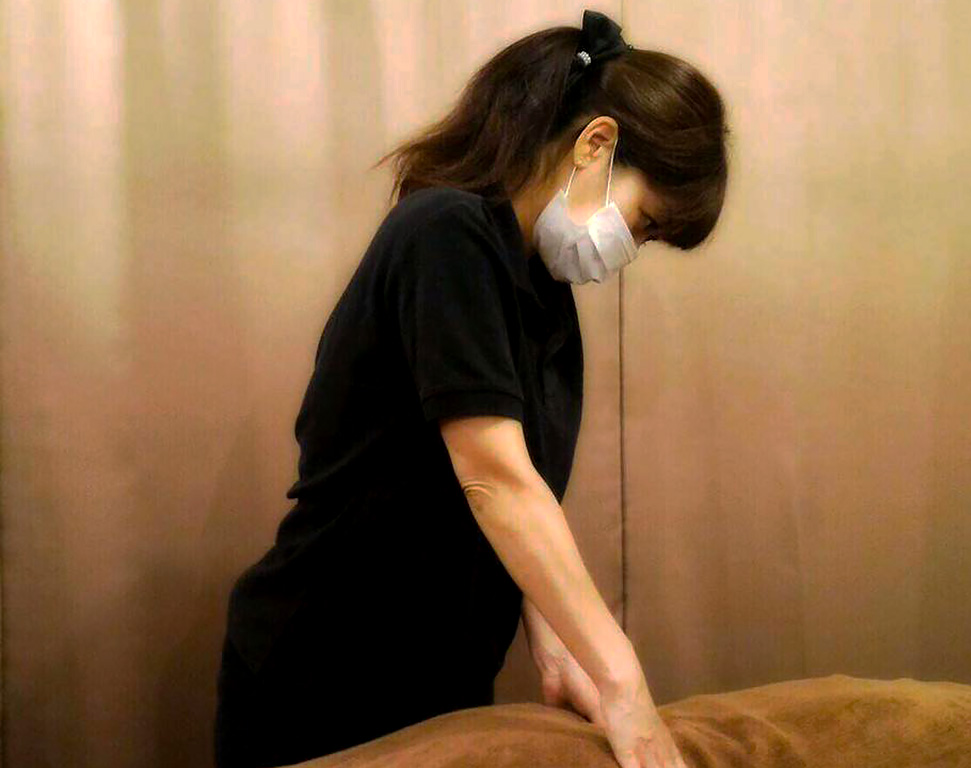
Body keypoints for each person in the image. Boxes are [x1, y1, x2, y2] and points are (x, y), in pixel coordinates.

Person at [214, 9, 729, 768]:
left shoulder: (540, 292)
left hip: (437, 683)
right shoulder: (446, 236)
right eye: (646, 224)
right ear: (596, 143)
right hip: (323, 672)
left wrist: (557, 648)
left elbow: (519, 493)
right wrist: (624, 687)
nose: (633, 249)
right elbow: (494, 478)